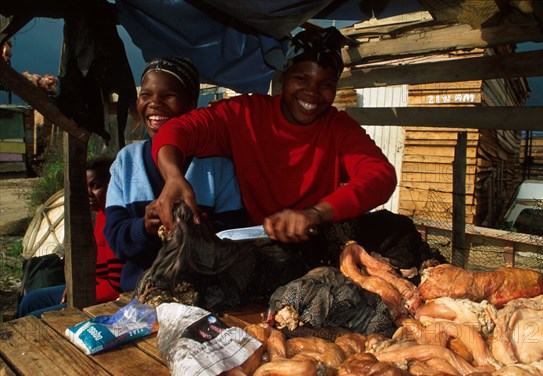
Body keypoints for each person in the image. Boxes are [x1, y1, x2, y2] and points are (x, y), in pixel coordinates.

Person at [150, 27, 397, 243]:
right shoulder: (245, 114)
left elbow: (380, 176)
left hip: (319, 243)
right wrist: (173, 176)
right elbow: (177, 130)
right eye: (301, 78)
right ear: (283, 77)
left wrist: (315, 214)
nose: (311, 93)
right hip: (257, 246)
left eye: (326, 85)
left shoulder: (339, 128)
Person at [104, 56, 247, 292]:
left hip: (205, 293)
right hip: (140, 293)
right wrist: (145, 227)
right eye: (146, 95)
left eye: (167, 96)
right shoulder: (126, 161)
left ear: (191, 105)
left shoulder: (217, 166)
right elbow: (116, 237)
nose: (154, 103)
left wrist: (204, 229)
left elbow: (237, 233)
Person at [17, 157, 124, 318]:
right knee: (29, 300)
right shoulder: (100, 215)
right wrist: (76, 286)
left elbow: (116, 287)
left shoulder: (116, 222)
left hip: (104, 297)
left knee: (35, 317)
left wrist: (79, 295)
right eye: (85, 186)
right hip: (90, 287)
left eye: (95, 186)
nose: (88, 193)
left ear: (113, 186)